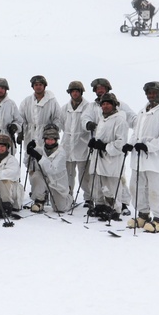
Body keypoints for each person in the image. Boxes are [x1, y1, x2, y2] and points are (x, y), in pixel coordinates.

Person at [128, 81, 159, 233]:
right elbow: (136, 132)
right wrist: (131, 143)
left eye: (154, 92)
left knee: (156, 191)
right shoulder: (143, 111)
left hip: (157, 160)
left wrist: (149, 146)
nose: (151, 95)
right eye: (149, 92)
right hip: (139, 159)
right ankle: (143, 214)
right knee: (137, 188)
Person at [85, 93, 129, 221]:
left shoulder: (119, 120)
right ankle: (100, 206)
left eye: (108, 103)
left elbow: (121, 142)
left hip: (112, 159)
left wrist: (104, 147)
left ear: (114, 105)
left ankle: (115, 209)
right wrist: (94, 143)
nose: (105, 106)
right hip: (99, 159)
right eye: (103, 104)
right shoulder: (102, 119)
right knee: (98, 182)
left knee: (111, 185)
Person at [19, 75, 62, 204]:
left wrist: (52, 131)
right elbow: (21, 118)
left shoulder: (52, 101)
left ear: (44, 86)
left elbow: (57, 118)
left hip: (46, 138)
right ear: (33, 86)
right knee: (32, 165)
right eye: (36, 84)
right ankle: (36, 190)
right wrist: (20, 131)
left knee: (45, 164)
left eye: (40, 84)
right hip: (30, 136)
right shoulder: (27, 101)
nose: (38, 86)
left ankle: (45, 192)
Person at [25, 124, 72, 213]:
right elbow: (27, 164)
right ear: (44, 140)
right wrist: (29, 151)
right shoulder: (40, 149)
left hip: (57, 182)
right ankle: (40, 200)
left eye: (52, 139)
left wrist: (39, 157)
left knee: (59, 208)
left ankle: (68, 197)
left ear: (56, 140)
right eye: (47, 139)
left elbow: (53, 169)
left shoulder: (61, 153)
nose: (50, 142)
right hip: (44, 178)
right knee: (35, 175)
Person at [61, 80, 92, 205]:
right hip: (67, 145)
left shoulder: (88, 107)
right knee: (68, 174)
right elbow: (61, 123)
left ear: (81, 92)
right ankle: (68, 196)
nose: (74, 93)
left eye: (77, 91)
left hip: (82, 145)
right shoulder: (64, 108)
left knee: (84, 175)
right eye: (72, 91)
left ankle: (88, 198)